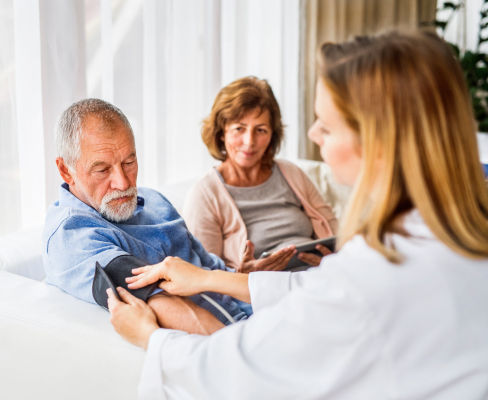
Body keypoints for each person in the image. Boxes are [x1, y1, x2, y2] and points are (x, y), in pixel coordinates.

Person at [108, 31, 488, 399]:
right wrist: (213, 278)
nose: (313, 132)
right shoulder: (447, 235)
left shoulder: (370, 280)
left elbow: (231, 374)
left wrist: (149, 337)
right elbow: (317, 292)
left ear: (378, 141)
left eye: (326, 124)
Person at [42, 99, 294, 334]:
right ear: (66, 170)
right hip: (235, 338)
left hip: (268, 315)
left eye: (129, 162)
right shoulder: (73, 236)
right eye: (102, 169)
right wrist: (246, 354)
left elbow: (206, 266)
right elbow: (159, 302)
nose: (122, 182)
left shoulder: (154, 201)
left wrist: (239, 275)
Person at [183, 76, 338, 273]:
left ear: (273, 134)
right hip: (258, 291)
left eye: (261, 130)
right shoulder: (204, 193)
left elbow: (337, 234)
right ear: (221, 132)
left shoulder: (290, 172)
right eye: (239, 129)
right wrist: (244, 275)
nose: (249, 141)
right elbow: (203, 273)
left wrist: (332, 260)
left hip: (320, 276)